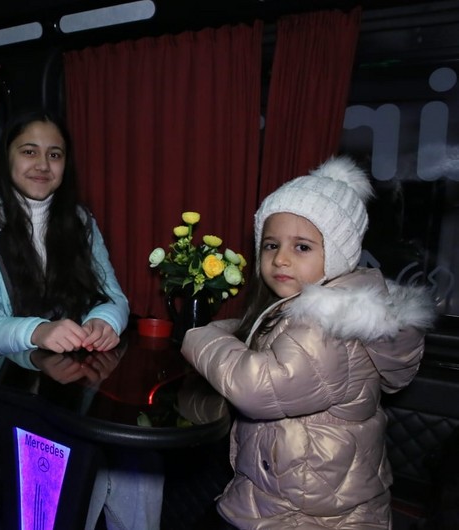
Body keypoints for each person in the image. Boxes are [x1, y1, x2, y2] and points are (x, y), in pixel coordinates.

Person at [181, 156, 437, 529]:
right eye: (271, 245)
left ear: (338, 253)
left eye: (301, 247)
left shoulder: (325, 327)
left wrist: (198, 335)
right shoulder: (312, 308)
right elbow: (263, 331)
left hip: (312, 516)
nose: (280, 259)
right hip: (285, 491)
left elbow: (258, 388)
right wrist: (231, 329)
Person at [0, 108, 164, 530]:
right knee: (80, 464)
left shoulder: (80, 220)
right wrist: (39, 331)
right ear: (7, 156)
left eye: (55, 154)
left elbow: (114, 297)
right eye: (29, 151)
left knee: (141, 460)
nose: (43, 165)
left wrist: (105, 321)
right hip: (12, 389)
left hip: (78, 387)